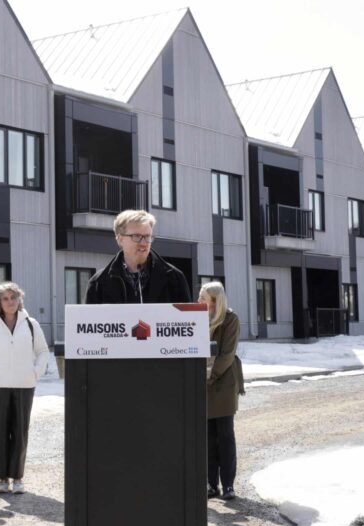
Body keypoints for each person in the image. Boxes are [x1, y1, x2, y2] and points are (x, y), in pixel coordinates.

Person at [0, 282, 52, 494]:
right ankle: (2, 478)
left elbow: (43, 351)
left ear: (19, 299)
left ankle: (17, 478)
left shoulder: (31, 324)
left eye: (13, 297)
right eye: (5, 298)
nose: (10, 302)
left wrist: (35, 372)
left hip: (24, 385)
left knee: (20, 432)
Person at [84, 209, 191, 304]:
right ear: (120, 239)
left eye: (147, 236)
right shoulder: (98, 283)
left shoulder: (174, 278)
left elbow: (187, 318)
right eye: (137, 236)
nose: (143, 243)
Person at [199, 281, 245, 501]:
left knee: (225, 435)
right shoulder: (198, 319)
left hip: (223, 381)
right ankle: (211, 484)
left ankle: (228, 485)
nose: (199, 301)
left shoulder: (230, 319)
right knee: (208, 436)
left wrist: (210, 376)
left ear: (214, 301)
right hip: (203, 381)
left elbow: (227, 354)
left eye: (203, 298)